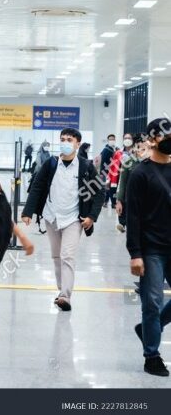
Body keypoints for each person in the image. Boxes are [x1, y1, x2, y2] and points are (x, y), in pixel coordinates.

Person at [22, 128, 104, 311]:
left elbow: (100, 192)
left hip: (74, 219)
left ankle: (65, 295)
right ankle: (61, 291)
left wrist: (92, 216)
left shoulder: (85, 166)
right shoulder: (51, 164)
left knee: (67, 256)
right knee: (56, 256)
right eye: (62, 139)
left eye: (69, 140)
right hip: (51, 217)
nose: (65, 143)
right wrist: (28, 211)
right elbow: (37, 187)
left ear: (78, 144)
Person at [127, 117, 171, 377]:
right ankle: (152, 355)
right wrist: (136, 254)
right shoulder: (140, 173)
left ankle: (147, 329)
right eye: (163, 135)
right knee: (152, 304)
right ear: (152, 140)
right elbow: (133, 218)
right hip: (151, 250)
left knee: (154, 312)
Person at [116, 135, 149, 233]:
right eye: (138, 147)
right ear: (134, 147)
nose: (141, 151)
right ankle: (123, 224)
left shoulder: (152, 163)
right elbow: (122, 182)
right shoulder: (128, 162)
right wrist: (119, 200)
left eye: (144, 148)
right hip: (130, 199)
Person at [100, 133, 117, 207]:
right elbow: (103, 162)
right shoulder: (106, 149)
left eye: (113, 139)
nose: (112, 140)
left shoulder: (113, 149)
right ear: (108, 140)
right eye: (110, 139)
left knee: (110, 187)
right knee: (108, 188)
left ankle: (107, 202)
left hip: (112, 172)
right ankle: (108, 202)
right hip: (106, 172)